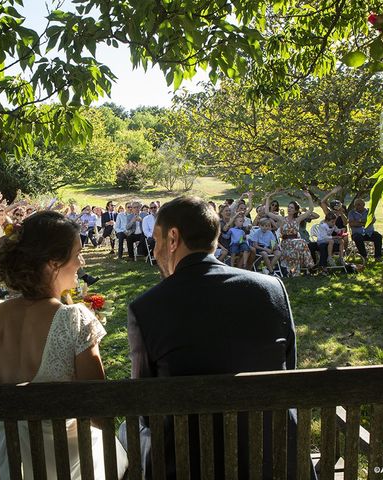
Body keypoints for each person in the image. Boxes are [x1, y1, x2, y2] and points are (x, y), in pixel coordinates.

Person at [125, 196, 304, 479]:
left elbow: (147, 410)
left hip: (188, 465)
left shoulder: (146, 308)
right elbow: (288, 374)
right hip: (272, 459)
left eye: (156, 240)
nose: (156, 249)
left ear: (173, 238)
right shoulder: (271, 289)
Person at [0, 211, 128, 479]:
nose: (81, 262)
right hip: (62, 462)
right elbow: (99, 410)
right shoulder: (74, 318)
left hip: (2, 462)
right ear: (52, 263)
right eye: (77, 254)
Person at [265, 191, 316, 275]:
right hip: (286, 243)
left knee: (298, 246)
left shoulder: (298, 220)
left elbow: (310, 210)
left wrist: (309, 197)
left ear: (296, 210)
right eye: (288, 207)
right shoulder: (282, 219)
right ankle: (310, 265)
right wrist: (267, 198)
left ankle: (296, 272)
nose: (289, 209)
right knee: (302, 242)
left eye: (291, 208)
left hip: (296, 244)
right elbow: (267, 212)